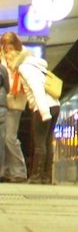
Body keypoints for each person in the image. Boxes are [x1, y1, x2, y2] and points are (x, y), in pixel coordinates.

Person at [2, 32, 60, 184]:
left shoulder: (25, 68)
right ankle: (46, 176)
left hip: (43, 106)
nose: (7, 59)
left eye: (8, 54)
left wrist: (44, 112)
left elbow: (37, 89)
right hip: (53, 104)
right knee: (47, 142)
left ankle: (35, 176)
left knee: (39, 142)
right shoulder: (35, 64)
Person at [0, 32, 29, 182]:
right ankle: (6, 171)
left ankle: (19, 171)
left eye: (10, 46)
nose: (7, 49)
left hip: (16, 100)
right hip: (4, 102)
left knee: (10, 137)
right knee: (3, 138)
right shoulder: (1, 58)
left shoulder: (23, 58)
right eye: (5, 46)